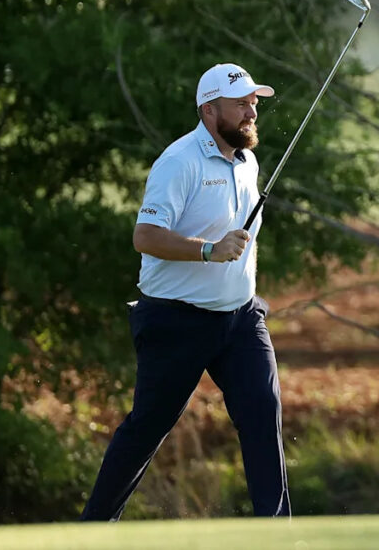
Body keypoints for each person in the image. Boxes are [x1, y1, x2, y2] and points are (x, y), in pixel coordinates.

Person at [80, 63, 290, 520]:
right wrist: (209, 250)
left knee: (262, 411)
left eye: (254, 101)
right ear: (210, 110)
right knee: (147, 429)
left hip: (239, 318)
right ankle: (93, 529)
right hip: (176, 319)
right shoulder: (179, 162)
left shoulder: (247, 161)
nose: (252, 110)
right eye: (242, 103)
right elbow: (146, 236)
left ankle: (277, 535)